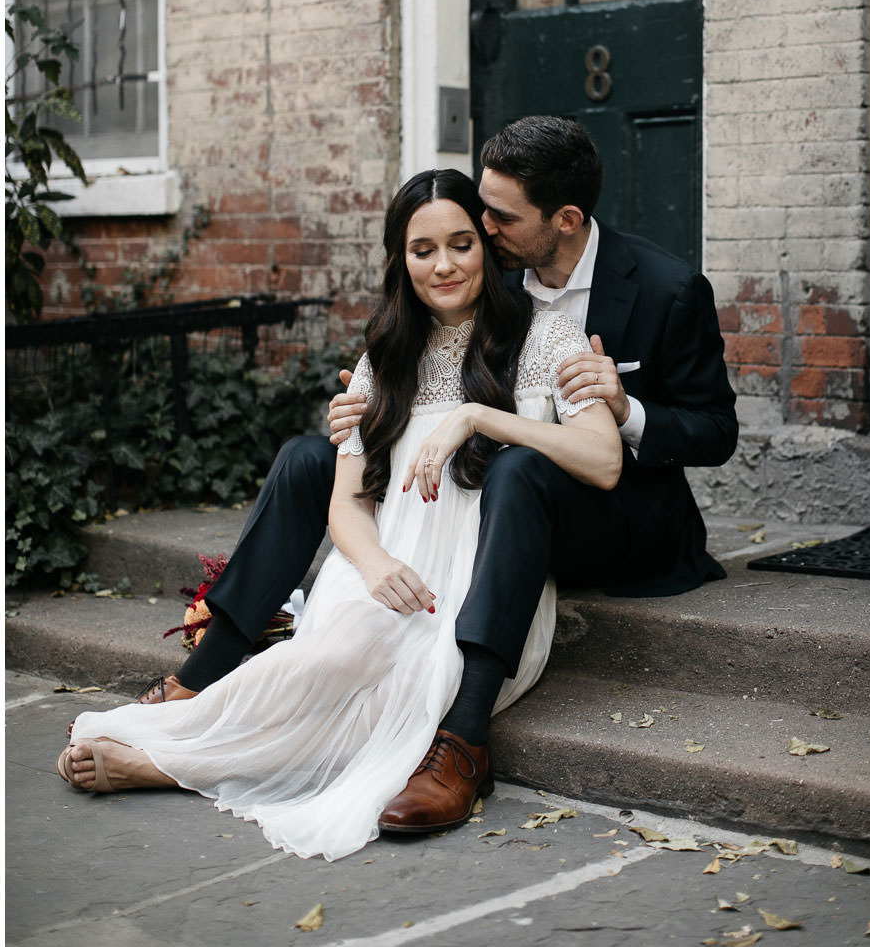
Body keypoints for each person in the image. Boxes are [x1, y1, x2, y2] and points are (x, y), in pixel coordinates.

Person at [134, 115, 733, 836]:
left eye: (495, 218)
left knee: (518, 469)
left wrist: (624, 406)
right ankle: (206, 670)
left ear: (565, 220)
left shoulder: (667, 288)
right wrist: (369, 417)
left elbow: (714, 432)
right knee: (305, 461)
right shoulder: (487, 265)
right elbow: (434, 348)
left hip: (612, 512)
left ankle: (463, 737)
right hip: (469, 497)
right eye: (475, 215)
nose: (479, 227)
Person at [54, 167, 621, 860]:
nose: (443, 264)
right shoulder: (385, 357)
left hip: (482, 589)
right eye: (422, 249)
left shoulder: (545, 337)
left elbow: (604, 460)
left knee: (409, 689)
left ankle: (165, 764)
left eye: (461, 244)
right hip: (388, 567)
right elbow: (346, 500)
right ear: (399, 258)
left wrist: (483, 416)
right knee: (320, 664)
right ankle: (186, 719)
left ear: (488, 246)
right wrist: (375, 565)